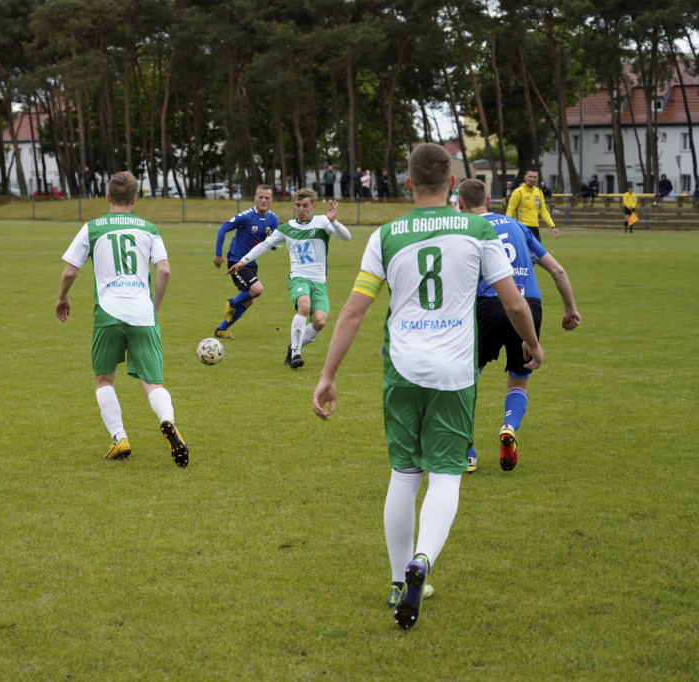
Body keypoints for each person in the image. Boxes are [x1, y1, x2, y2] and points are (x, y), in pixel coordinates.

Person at [312, 143, 543, 630]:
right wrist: (532, 344)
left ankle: (399, 579)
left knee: (404, 472)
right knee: (446, 474)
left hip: (402, 366)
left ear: (408, 183)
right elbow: (517, 304)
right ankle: (423, 561)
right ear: (454, 185)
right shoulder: (478, 228)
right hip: (454, 372)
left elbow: (354, 310)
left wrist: (328, 374)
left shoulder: (386, 235)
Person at [54, 171, 189, 467]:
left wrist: (63, 297)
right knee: (152, 382)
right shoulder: (149, 228)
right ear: (134, 198)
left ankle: (120, 438)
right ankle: (167, 421)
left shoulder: (92, 227)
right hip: (142, 313)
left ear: (107, 196)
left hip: (108, 312)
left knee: (104, 379)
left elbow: (70, 271)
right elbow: (164, 270)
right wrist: (154, 307)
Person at [457, 179, 581, 473]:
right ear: (488, 199)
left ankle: (467, 452)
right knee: (518, 379)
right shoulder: (517, 227)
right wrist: (570, 309)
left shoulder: (466, 231)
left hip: (487, 305)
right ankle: (509, 427)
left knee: (465, 380)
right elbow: (558, 270)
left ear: (460, 204)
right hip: (529, 307)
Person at [227, 188, 351, 369]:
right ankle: (296, 354)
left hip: (319, 281)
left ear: (313, 206)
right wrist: (243, 262)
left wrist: (335, 222)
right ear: (295, 206)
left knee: (319, 321)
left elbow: (347, 237)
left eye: (306, 206)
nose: (301, 209)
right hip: (298, 278)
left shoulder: (322, 222)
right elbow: (265, 245)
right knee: (304, 305)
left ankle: (293, 346)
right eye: (298, 206)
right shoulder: (287, 228)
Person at [212, 185, 279, 339]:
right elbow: (222, 229)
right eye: (260, 197)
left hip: (251, 263)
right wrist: (218, 254)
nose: (263, 200)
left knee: (248, 301)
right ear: (255, 198)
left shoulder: (273, 219)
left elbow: (273, 247)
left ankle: (221, 329)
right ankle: (232, 303)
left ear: (271, 200)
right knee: (257, 290)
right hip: (236, 261)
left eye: (267, 198)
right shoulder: (246, 216)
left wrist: (271, 239)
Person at [506, 168, 558, 240]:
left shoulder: (539, 192)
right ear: (525, 177)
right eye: (530, 176)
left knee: (539, 251)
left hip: (535, 229)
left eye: (535, 177)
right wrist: (507, 226)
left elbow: (544, 211)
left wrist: (552, 226)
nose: (532, 179)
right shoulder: (518, 192)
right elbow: (510, 210)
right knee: (524, 251)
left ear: (537, 178)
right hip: (521, 228)